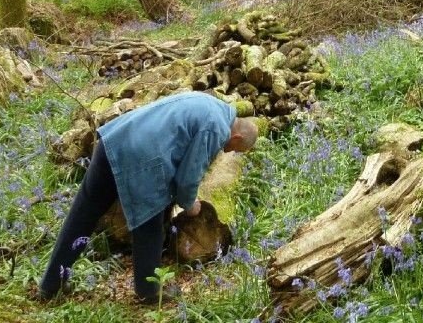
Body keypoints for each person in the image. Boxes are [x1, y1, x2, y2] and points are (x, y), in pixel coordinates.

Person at [38, 91, 259, 304]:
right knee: (150, 225)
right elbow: (187, 178)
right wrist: (191, 204)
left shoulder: (211, 104)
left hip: (114, 140)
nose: (228, 152)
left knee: (83, 214)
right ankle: (149, 292)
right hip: (140, 158)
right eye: (233, 149)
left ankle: (51, 283)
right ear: (237, 136)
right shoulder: (217, 128)